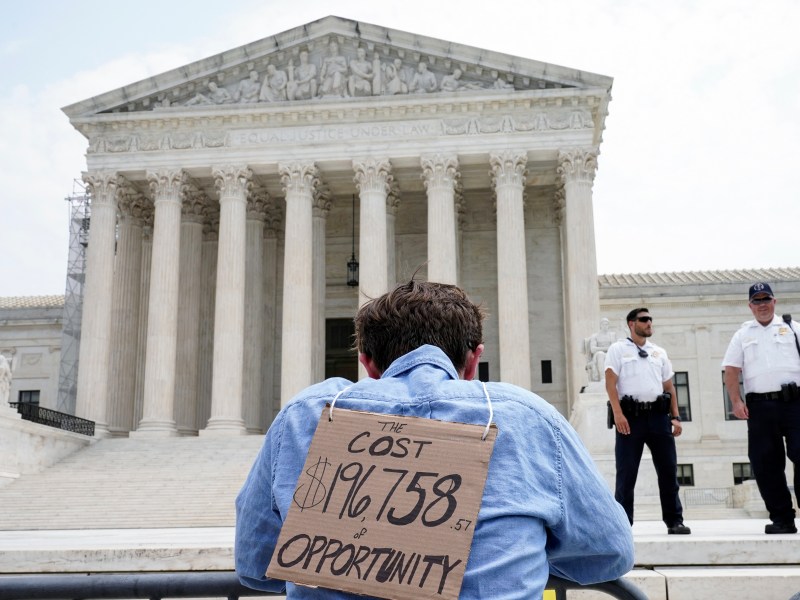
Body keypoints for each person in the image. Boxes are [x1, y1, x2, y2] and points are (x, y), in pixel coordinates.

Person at [236, 280, 634, 598]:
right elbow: (609, 552)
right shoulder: (528, 417)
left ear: (368, 364)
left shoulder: (306, 415)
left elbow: (255, 563)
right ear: (474, 360)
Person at [722, 282, 800, 534]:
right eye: (757, 301)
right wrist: (736, 401)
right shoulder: (743, 335)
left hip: (795, 403)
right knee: (765, 463)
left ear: (774, 302)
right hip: (760, 407)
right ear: (750, 306)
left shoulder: (793, 328)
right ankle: (782, 519)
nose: (762, 305)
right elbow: (732, 371)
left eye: (766, 299)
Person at [605, 307, 691, 534]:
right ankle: (623, 525)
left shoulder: (659, 352)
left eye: (650, 319)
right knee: (626, 472)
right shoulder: (617, 349)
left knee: (668, 470)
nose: (649, 323)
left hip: (658, 417)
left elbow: (669, 387)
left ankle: (675, 521)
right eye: (644, 320)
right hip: (630, 418)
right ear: (631, 324)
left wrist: (676, 416)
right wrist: (618, 413)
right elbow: (610, 383)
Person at [587, 317, 617, 382]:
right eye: (604, 324)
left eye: (607, 324)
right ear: (600, 325)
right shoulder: (595, 336)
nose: (605, 326)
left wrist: (600, 349)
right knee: (600, 354)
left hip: (610, 354)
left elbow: (614, 348)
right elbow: (592, 349)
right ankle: (602, 378)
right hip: (598, 355)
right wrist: (606, 348)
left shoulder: (612, 335)